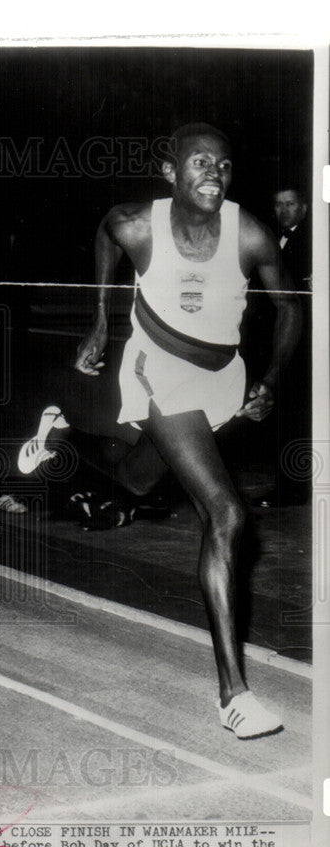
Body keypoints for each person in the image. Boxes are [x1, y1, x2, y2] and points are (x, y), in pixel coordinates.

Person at [20, 123, 301, 738]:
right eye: (199, 162)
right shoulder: (136, 224)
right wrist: (98, 319)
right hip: (159, 371)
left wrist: (272, 380)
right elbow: (104, 237)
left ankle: (60, 434)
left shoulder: (248, 233)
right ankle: (233, 695)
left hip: (223, 376)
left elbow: (289, 306)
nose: (214, 173)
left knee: (137, 481)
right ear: (170, 171)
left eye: (224, 165)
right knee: (225, 514)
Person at [252, 186, 312, 507]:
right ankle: (290, 485)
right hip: (275, 339)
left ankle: (295, 488)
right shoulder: (270, 240)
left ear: (303, 207)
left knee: (296, 416)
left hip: (305, 344)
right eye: (278, 204)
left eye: (290, 204)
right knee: (283, 415)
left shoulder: (315, 241)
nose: (283, 211)